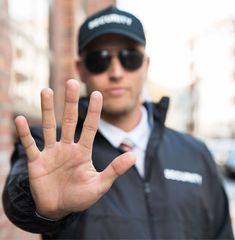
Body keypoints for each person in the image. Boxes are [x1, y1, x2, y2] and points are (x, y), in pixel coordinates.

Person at [2, 5, 234, 240]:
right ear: (81, 69)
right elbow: (19, 205)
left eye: (129, 57)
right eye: (99, 59)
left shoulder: (196, 153)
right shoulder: (50, 149)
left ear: (145, 64)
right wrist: (45, 208)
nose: (116, 71)